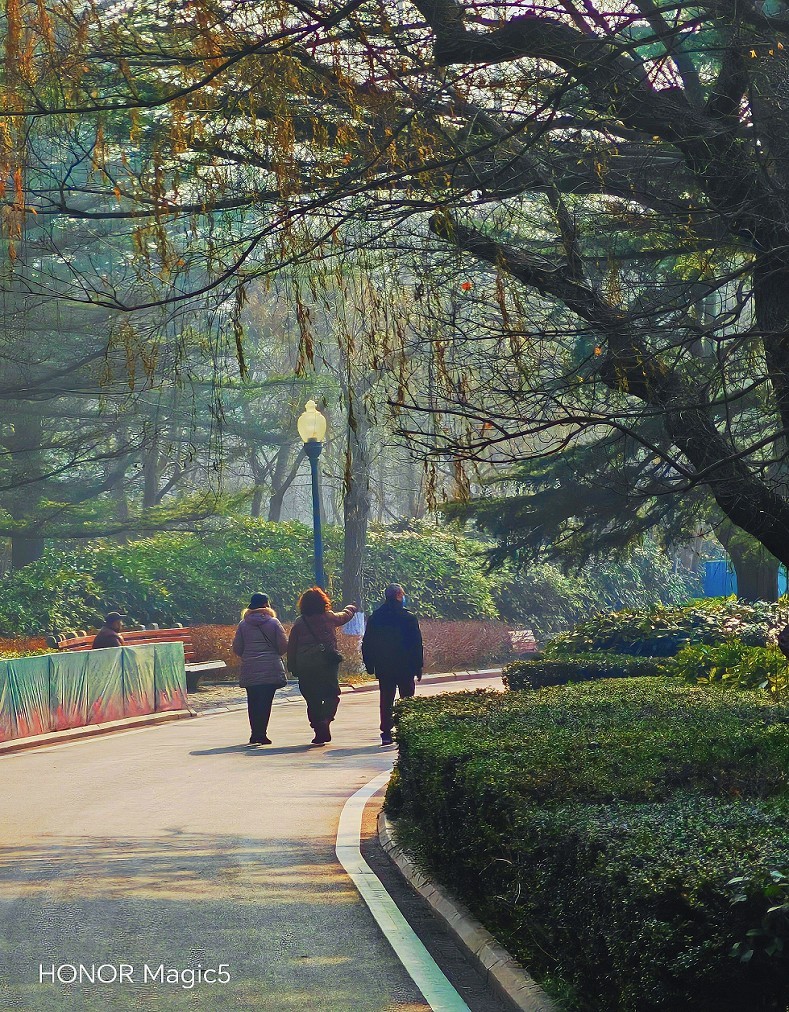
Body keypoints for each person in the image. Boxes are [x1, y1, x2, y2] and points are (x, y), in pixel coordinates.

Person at [287, 588, 357, 745]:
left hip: (306, 666)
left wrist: (292, 665)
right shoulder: (329, 617)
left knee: (312, 699)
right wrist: (351, 607)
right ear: (323, 602)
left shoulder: (300, 622)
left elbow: (292, 646)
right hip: (327, 662)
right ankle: (326, 719)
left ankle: (318, 730)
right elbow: (344, 616)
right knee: (332, 694)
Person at [362, 584, 423, 746]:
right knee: (407, 698)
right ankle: (406, 727)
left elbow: (367, 643)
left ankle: (386, 732)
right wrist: (418, 666)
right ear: (398, 596)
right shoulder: (408, 618)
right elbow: (416, 644)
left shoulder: (376, 617)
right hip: (406, 666)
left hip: (384, 665)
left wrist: (369, 664)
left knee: (386, 698)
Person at [232, 593, 288, 746]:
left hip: (250, 667)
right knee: (265, 701)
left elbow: (237, 647)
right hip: (270, 666)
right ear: (266, 605)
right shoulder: (274, 623)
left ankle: (254, 733)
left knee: (253, 701)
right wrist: (274, 654)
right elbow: (283, 645)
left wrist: (248, 655)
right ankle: (262, 734)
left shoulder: (243, 624)